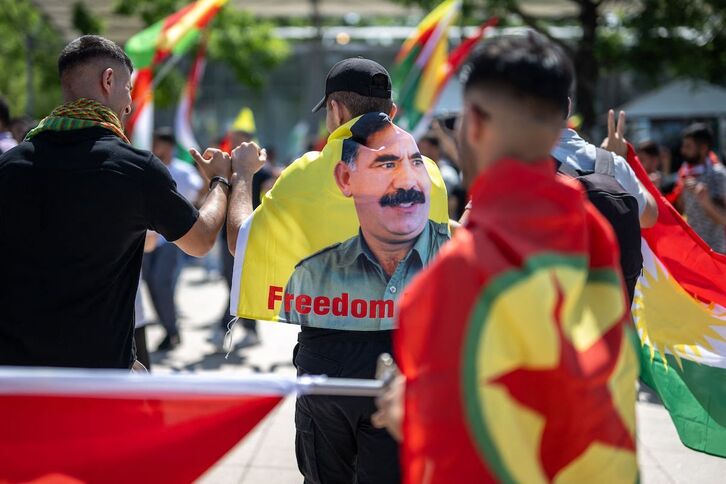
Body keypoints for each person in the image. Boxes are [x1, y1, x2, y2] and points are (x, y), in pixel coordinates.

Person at [373, 33, 638, 481]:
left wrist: (404, 410)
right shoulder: (593, 233)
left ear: (474, 123)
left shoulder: (453, 279)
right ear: (561, 123)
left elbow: (450, 448)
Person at [225, 57, 448, 484]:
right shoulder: (429, 176)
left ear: (337, 111)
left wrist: (241, 177)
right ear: (392, 113)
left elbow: (241, 240)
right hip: (403, 359)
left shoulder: (307, 174)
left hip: (328, 358)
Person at [0, 35, 244, 369]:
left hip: (17, 379)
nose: (129, 104)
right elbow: (200, 240)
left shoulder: (10, 166)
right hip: (98, 376)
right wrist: (219, 180)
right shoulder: (134, 168)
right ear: (108, 80)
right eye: (129, 89)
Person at [283, 113, 449, 328]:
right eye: (387, 164)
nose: (408, 182)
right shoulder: (311, 276)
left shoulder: (454, 260)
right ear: (345, 179)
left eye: (416, 162)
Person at [142, 127, 204, 351]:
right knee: (150, 283)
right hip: (147, 239)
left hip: (172, 239)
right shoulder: (148, 166)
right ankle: (169, 329)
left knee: (162, 283)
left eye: (158, 143)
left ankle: (171, 330)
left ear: (168, 146)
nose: (155, 147)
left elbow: (198, 194)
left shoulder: (184, 171)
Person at [552, 108, 658, 229]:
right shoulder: (614, 162)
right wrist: (621, 160)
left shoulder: (528, 164)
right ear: (569, 106)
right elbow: (649, 217)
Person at [674, 123, 726, 253]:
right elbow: (680, 211)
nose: (683, 151)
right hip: (693, 252)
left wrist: (707, 202)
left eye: (688, 146)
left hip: (716, 252)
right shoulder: (686, 173)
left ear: (703, 148)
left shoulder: (718, 174)